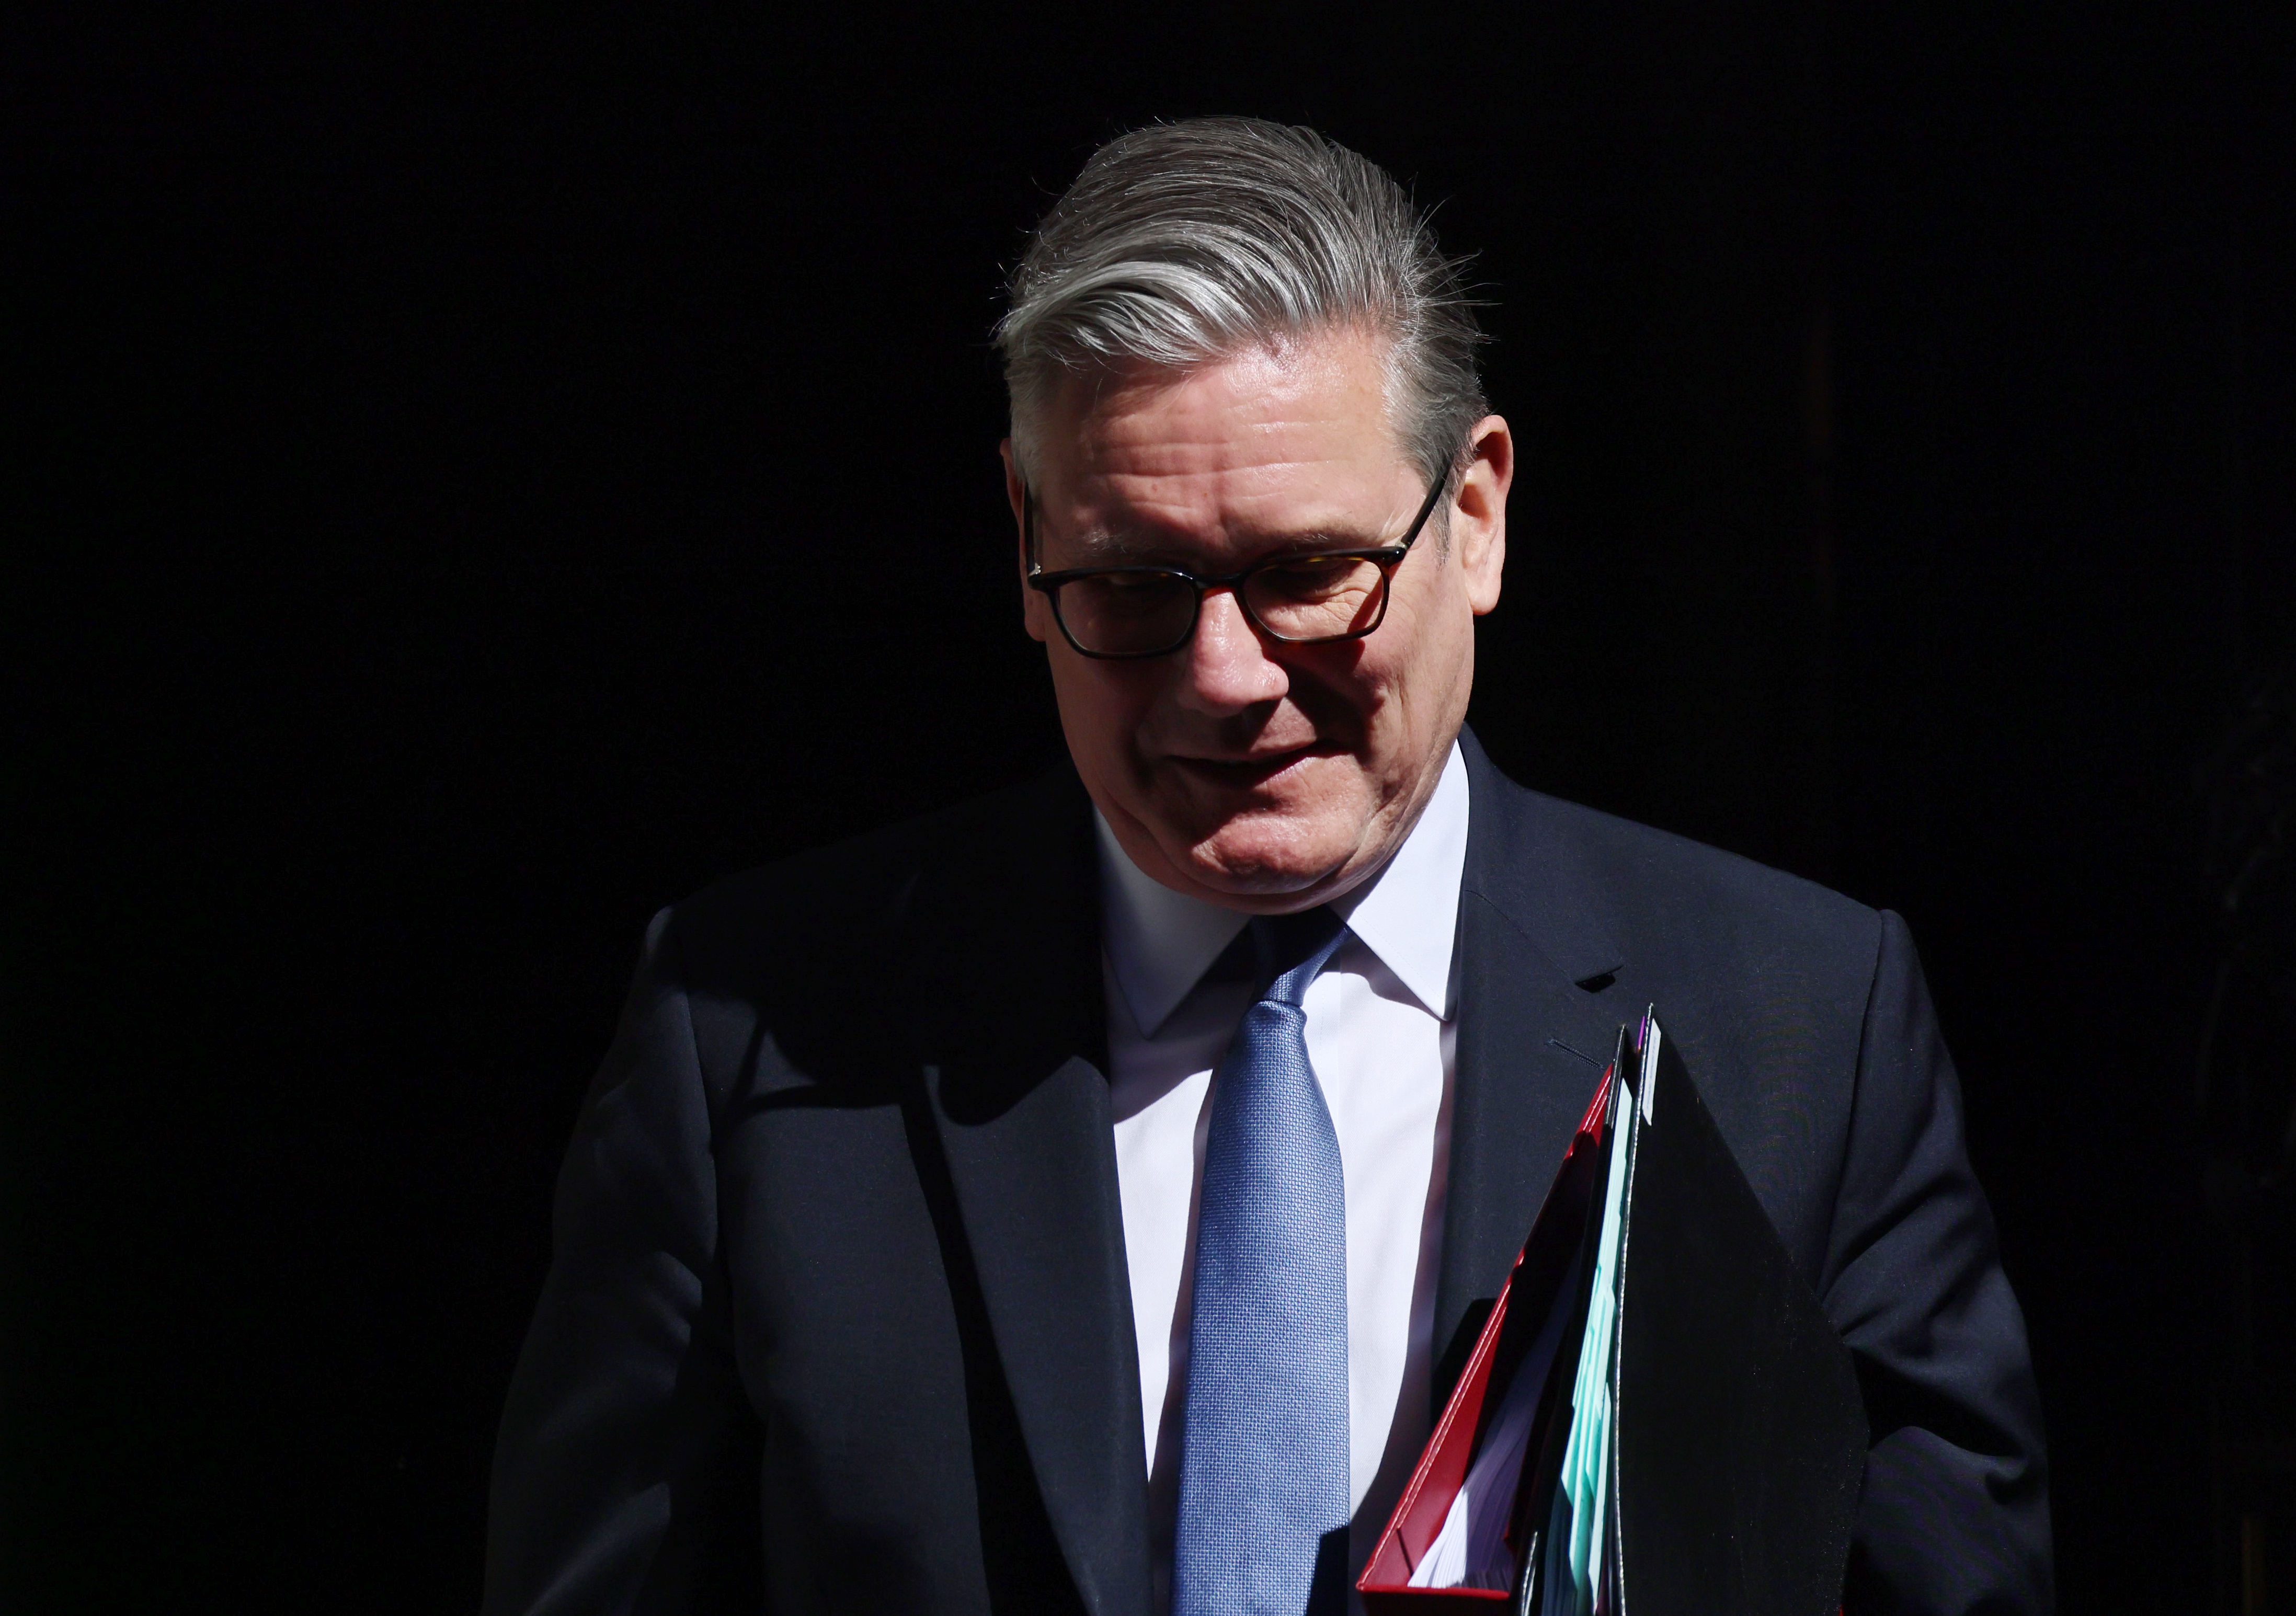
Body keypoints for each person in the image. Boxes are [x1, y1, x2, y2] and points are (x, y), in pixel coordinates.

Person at [482, 118, 2051, 1616]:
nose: (1225, 672)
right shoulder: (752, 1029)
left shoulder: (1801, 1019)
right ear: (1026, 540)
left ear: (1480, 517)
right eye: (1135, 581)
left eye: (1309, 574)